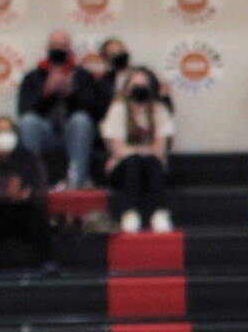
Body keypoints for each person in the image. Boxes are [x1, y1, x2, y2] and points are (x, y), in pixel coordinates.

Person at [0, 115, 54, 274]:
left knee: (37, 212)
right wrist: (5, 195)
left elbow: (42, 190)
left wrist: (27, 195)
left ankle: (47, 261)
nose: (3, 135)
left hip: (22, 211)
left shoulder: (30, 159)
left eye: (7, 131)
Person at [16, 28, 101, 189]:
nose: (58, 49)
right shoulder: (32, 77)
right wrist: (47, 92)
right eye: (54, 45)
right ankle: (33, 181)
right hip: (44, 131)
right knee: (28, 122)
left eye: (63, 45)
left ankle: (77, 181)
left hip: (72, 131)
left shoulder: (83, 76)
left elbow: (93, 112)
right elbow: (24, 110)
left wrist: (70, 95)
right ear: (47, 48)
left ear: (70, 49)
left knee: (81, 120)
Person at [101, 66, 175, 234]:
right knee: (134, 161)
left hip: (151, 169)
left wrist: (137, 151)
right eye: (135, 86)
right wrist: (144, 151)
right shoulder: (118, 110)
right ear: (126, 90)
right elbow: (118, 150)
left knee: (151, 161)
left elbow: (159, 149)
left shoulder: (159, 110)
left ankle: (159, 214)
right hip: (123, 170)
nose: (140, 90)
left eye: (144, 85)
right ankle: (129, 213)